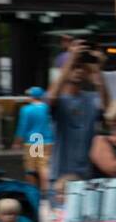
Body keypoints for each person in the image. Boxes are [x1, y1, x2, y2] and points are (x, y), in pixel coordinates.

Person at [47, 39, 109, 182]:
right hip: (60, 177)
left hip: (85, 177)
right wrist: (70, 59)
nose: (78, 71)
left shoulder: (92, 98)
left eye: (81, 67)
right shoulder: (60, 99)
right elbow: (50, 99)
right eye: (74, 67)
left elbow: (107, 109)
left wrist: (97, 69)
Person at [13, 87, 54, 193]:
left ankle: (32, 192)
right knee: (44, 166)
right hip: (48, 141)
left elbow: (22, 127)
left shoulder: (26, 110)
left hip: (33, 141)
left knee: (30, 169)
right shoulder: (47, 108)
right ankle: (46, 192)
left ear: (32, 96)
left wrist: (17, 142)